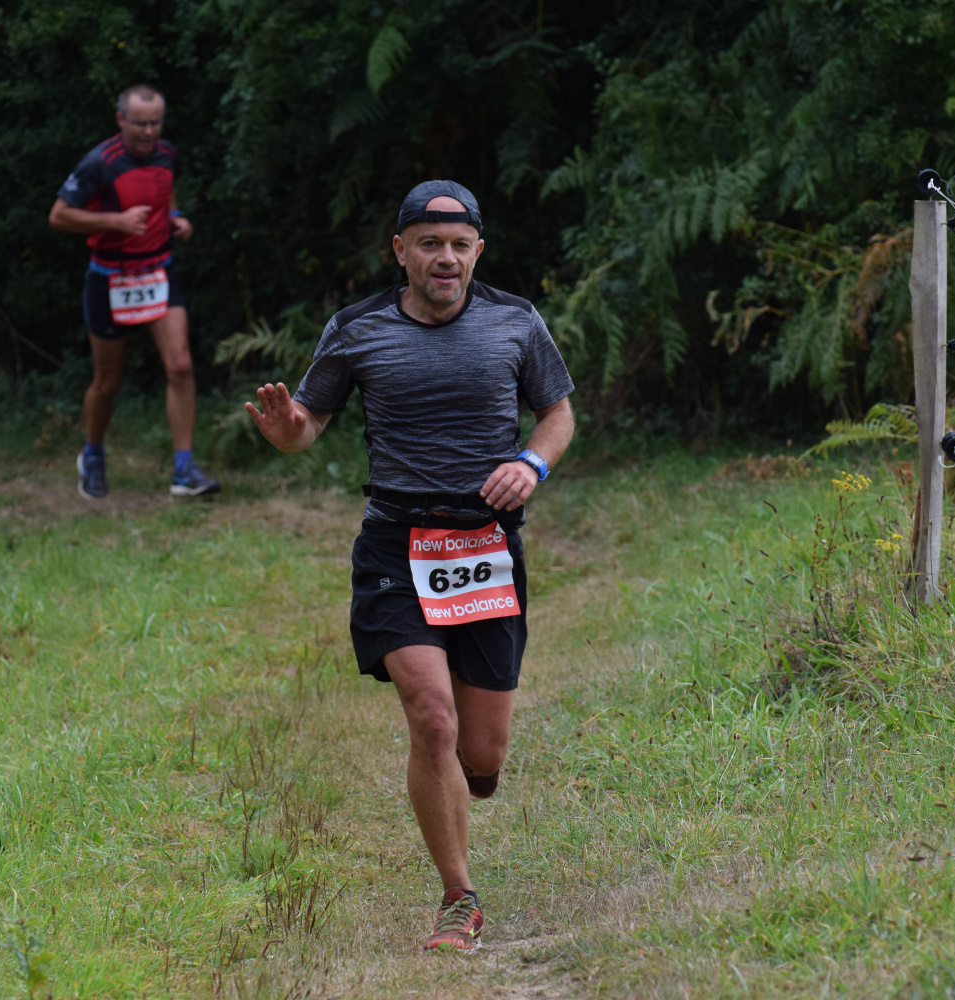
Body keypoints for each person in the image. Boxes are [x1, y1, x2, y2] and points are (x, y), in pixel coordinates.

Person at [245, 180, 575, 953]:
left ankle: (466, 774)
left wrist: (530, 463)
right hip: (396, 544)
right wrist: (288, 429)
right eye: (430, 244)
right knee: (431, 717)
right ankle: (459, 900)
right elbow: (307, 424)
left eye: (459, 245)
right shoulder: (357, 328)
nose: (445, 258)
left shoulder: (516, 321)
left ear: (478, 251)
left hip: (484, 546)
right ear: (401, 251)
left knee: (481, 755)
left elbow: (558, 412)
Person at [49, 83, 218, 499]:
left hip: (157, 271)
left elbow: (165, 190)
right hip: (109, 277)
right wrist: (116, 222)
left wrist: (176, 217)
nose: (148, 132)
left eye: (156, 123)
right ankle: (92, 454)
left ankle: (184, 469)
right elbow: (59, 216)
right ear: (120, 119)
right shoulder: (98, 162)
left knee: (180, 365)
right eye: (140, 123)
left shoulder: (167, 153)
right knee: (108, 380)